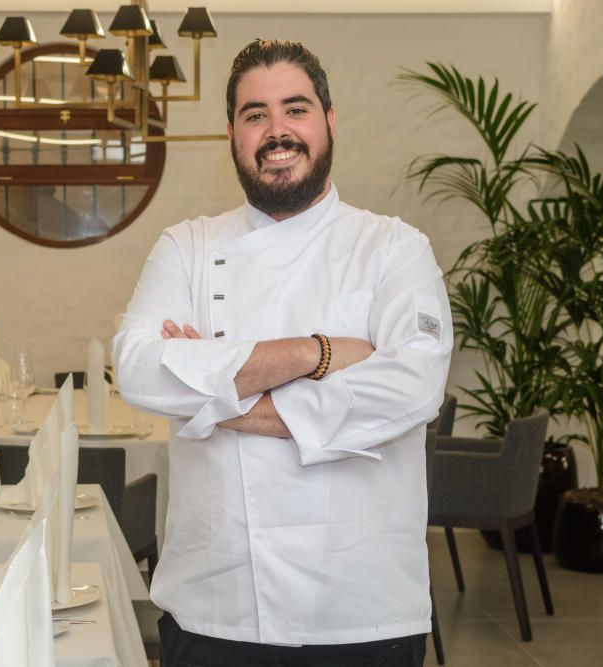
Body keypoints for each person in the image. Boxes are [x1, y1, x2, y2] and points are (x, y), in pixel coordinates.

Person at [113, 39, 453, 666]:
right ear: (232, 135)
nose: (277, 131)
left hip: (361, 608)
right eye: (255, 114)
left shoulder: (394, 249)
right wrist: (315, 352)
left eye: (295, 109)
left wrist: (211, 398)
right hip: (214, 604)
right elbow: (137, 367)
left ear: (328, 120)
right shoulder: (185, 246)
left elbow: (414, 385)